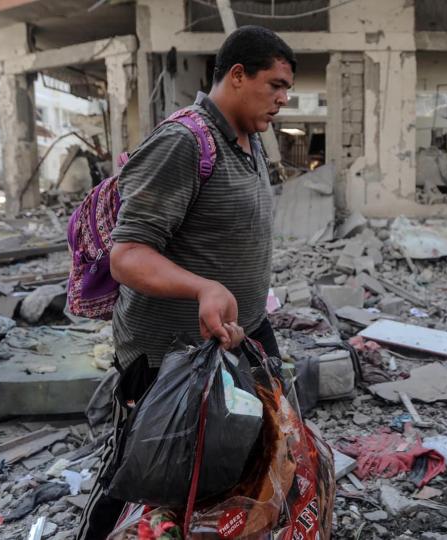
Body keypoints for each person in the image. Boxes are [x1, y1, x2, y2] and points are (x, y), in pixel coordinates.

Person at [75, 26, 295, 539]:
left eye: (288, 90)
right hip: (167, 354)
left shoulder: (249, 137)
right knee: (141, 470)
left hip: (240, 332)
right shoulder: (184, 140)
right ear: (237, 75)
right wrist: (203, 288)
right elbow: (127, 255)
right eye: (276, 85)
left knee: (246, 448)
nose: (283, 100)